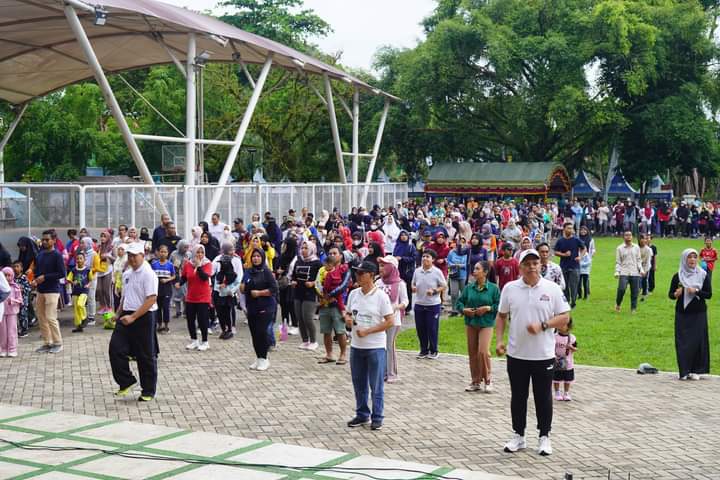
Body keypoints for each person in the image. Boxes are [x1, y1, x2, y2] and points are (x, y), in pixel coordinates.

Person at [495, 248, 570, 457]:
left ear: (540, 265)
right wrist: (500, 341)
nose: (531, 267)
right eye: (527, 263)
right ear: (520, 267)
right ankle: (518, 435)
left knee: (543, 397)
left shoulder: (552, 289)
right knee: (518, 396)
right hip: (516, 353)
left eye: (535, 263)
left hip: (543, 354)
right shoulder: (510, 288)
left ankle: (544, 436)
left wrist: (543, 325)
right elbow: (501, 316)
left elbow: (565, 317)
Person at [344, 260, 395, 431]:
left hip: (375, 346)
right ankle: (361, 413)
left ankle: (377, 416)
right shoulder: (354, 294)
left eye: (361, 273)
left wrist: (369, 331)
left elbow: (390, 321)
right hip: (357, 346)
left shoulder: (381, 296)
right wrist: (348, 320)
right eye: (356, 273)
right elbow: (348, 313)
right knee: (359, 383)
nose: (357, 276)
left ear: (371, 276)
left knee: (376, 384)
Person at [109, 241, 158, 402]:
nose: (131, 259)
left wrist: (134, 317)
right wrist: (118, 313)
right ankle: (126, 381)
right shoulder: (127, 274)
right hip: (127, 314)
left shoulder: (148, 274)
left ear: (142, 256)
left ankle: (148, 390)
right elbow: (125, 296)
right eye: (129, 256)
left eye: (134, 256)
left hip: (144, 315)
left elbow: (151, 299)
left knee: (145, 355)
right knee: (115, 349)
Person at [456, 261, 500, 393]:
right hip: (471, 323)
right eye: (474, 268)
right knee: (473, 353)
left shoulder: (493, 288)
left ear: (485, 272)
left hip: (486, 323)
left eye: (477, 269)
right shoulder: (469, 288)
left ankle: (488, 380)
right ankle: (475, 381)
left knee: (483, 351)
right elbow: (459, 302)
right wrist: (464, 310)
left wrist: (488, 308)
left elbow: (499, 306)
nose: (474, 271)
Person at [669, 249, 711, 381]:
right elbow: (670, 294)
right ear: (684, 259)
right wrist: (675, 294)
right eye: (689, 257)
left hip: (698, 313)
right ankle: (684, 370)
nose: (692, 260)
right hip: (682, 314)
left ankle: (696, 370)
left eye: (695, 257)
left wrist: (696, 291)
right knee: (683, 343)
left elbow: (708, 294)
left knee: (698, 342)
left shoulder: (703, 275)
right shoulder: (678, 276)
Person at [241, 248, 278, 371]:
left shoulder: (266, 272)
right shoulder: (248, 271)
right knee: (254, 333)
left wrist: (260, 293)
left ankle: (264, 359)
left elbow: (274, 289)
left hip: (266, 306)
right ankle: (258, 358)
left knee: (261, 332)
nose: (255, 258)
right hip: (252, 306)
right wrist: (242, 286)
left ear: (262, 257)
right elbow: (243, 287)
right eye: (253, 256)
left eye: (258, 256)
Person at [32, 230, 66, 354]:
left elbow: (62, 273)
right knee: (41, 317)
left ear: (54, 240)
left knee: (51, 317)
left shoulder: (57, 255)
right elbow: (37, 271)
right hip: (40, 290)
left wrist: (45, 277)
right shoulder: (40, 254)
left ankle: (58, 342)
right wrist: (35, 280)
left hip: (52, 290)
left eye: (47, 239)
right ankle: (47, 342)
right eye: (43, 239)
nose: (44, 242)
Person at [316, 246, 351, 364]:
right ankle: (329, 354)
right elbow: (317, 284)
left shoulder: (345, 269)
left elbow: (344, 286)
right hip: (324, 304)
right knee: (326, 331)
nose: (331, 255)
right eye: (330, 253)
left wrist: (330, 295)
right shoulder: (323, 270)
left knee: (340, 331)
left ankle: (343, 354)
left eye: (334, 253)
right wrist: (322, 295)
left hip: (337, 303)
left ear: (341, 256)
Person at [375, 256, 408, 383]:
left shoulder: (400, 284)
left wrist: (397, 307)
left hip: (394, 320)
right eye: (380, 265)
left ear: (392, 268)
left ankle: (391, 373)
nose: (381, 268)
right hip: (379, 319)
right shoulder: (378, 282)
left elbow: (405, 301)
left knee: (390, 345)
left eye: (384, 266)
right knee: (380, 345)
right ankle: (381, 371)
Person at [411, 249, 446, 359]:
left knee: (431, 328)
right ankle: (423, 350)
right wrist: (413, 287)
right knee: (420, 328)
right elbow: (413, 283)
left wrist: (434, 291)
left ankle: (434, 350)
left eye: (428, 257)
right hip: (419, 303)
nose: (425, 258)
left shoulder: (437, 272)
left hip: (433, 304)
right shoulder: (417, 271)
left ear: (433, 260)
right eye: (424, 256)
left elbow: (444, 286)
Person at [180, 244, 213, 351]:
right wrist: (178, 283)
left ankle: (205, 341)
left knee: (202, 319)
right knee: (190, 319)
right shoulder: (188, 264)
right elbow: (185, 277)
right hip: (191, 296)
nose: (199, 255)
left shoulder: (207, 264)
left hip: (203, 296)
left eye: (201, 252)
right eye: (198, 252)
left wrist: (198, 267)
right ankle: (194, 340)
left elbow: (204, 277)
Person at [291, 241, 322, 351]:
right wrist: (293, 281)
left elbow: (322, 277)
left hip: (310, 294)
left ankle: (313, 341)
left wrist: (313, 283)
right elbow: (294, 275)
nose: (303, 250)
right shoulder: (298, 261)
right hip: (298, 292)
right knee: (300, 318)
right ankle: (305, 340)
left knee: (308, 318)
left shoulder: (317, 263)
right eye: (302, 248)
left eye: (305, 248)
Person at [213, 242, 242, 339]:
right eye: (230, 250)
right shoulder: (218, 259)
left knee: (229, 310)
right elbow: (212, 272)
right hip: (218, 290)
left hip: (229, 291)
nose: (232, 252)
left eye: (233, 249)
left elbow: (238, 276)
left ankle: (230, 329)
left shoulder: (236, 260)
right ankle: (223, 329)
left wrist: (232, 289)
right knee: (220, 311)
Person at [554, 222, 584, 308]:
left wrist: (580, 256)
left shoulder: (576, 240)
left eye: (571, 228)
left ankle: (573, 301)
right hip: (564, 266)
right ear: (564, 229)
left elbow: (584, 248)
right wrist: (564, 255)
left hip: (575, 266)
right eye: (568, 228)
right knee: (565, 285)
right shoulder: (560, 241)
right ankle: (566, 301)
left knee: (574, 285)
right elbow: (555, 252)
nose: (570, 230)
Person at [614, 231, 643, 313]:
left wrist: (641, 270)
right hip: (624, 271)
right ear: (623, 237)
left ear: (632, 237)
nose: (628, 237)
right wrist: (617, 271)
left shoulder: (636, 247)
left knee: (635, 291)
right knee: (621, 289)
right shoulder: (619, 248)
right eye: (626, 235)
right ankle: (618, 304)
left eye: (630, 235)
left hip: (635, 272)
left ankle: (633, 308)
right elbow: (618, 262)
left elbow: (638, 260)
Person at [151, 245, 176, 333]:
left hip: (166, 288)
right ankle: (159, 325)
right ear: (158, 253)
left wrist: (167, 279)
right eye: (161, 251)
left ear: (167, 253)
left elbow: (174, 276)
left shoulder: (170, 265)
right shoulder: (154, 264)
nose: (163, 254)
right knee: (158, 307)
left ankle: (166, 325)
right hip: (156, 288)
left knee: (166, 307)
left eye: (165, 252)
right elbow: (150, 276)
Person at [67, 252, 93, 333]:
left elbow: (91, 280)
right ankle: (79, 326)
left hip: (84, 291)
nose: (79, 260)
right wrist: (72, 282)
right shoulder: (73, 270)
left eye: (81, 258)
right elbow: (68, 279)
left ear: (84, 260)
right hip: (75, 291)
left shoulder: (88, 270)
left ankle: (85, 318)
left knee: (80, 304)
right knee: (76, 310)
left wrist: (88, 285)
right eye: (77, 259)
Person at [553, 318, 577, 401]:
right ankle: (557, 392)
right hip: (557, 361)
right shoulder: (554, 337)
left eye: (563, 324)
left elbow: (575, 349)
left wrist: (571, 348)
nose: (560, 326)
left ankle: (566, 393)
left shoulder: (572, 338)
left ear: (568, 326)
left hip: (568, 362)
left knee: (568, 379)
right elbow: (551, 347)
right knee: (556, 378)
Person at [0, 267, 21, 357]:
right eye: (5, 275)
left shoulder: (15, 287)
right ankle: (3, 349)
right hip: (2, 312)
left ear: (12, 276)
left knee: (12, 331)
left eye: (9, 275)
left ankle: (12, 349)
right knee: (2, 332)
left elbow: (20, 300)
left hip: (12, 312)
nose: (7, 277)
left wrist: (13, 301)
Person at [447, 237, 468, 316]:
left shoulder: (467, 252)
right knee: (454, 293)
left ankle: (463, 310)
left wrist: (461, 265)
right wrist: (454, 265)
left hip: (463, 274)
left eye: (463, 242)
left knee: (463, 293)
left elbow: (468, 263)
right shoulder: (452, 252)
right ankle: (454, 310)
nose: (461, 244)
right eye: (459, 242)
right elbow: (448, 261)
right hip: (454, 274)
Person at [11, 261, 32, 338]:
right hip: (15, 300)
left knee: (23, 315)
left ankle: (24, 330)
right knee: (15, 315)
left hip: (23, 300)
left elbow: (28, 288)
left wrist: (22, 288)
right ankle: (15, 330)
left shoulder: (24, 277)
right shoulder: (12, 278)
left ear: (21, 268)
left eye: (17, 266)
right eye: (14, 267)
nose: (15, 268)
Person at [638, 234, 653, 301]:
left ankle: (645, 292)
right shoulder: (636, 248)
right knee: (637, 279)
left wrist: (645, 271)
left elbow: (648, 261)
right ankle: (637, 290)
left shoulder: (648, 249)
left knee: (644, 279)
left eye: (643, 239)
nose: (642, 240)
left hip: (645, 266)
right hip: (637, 266)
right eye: (640, 239)